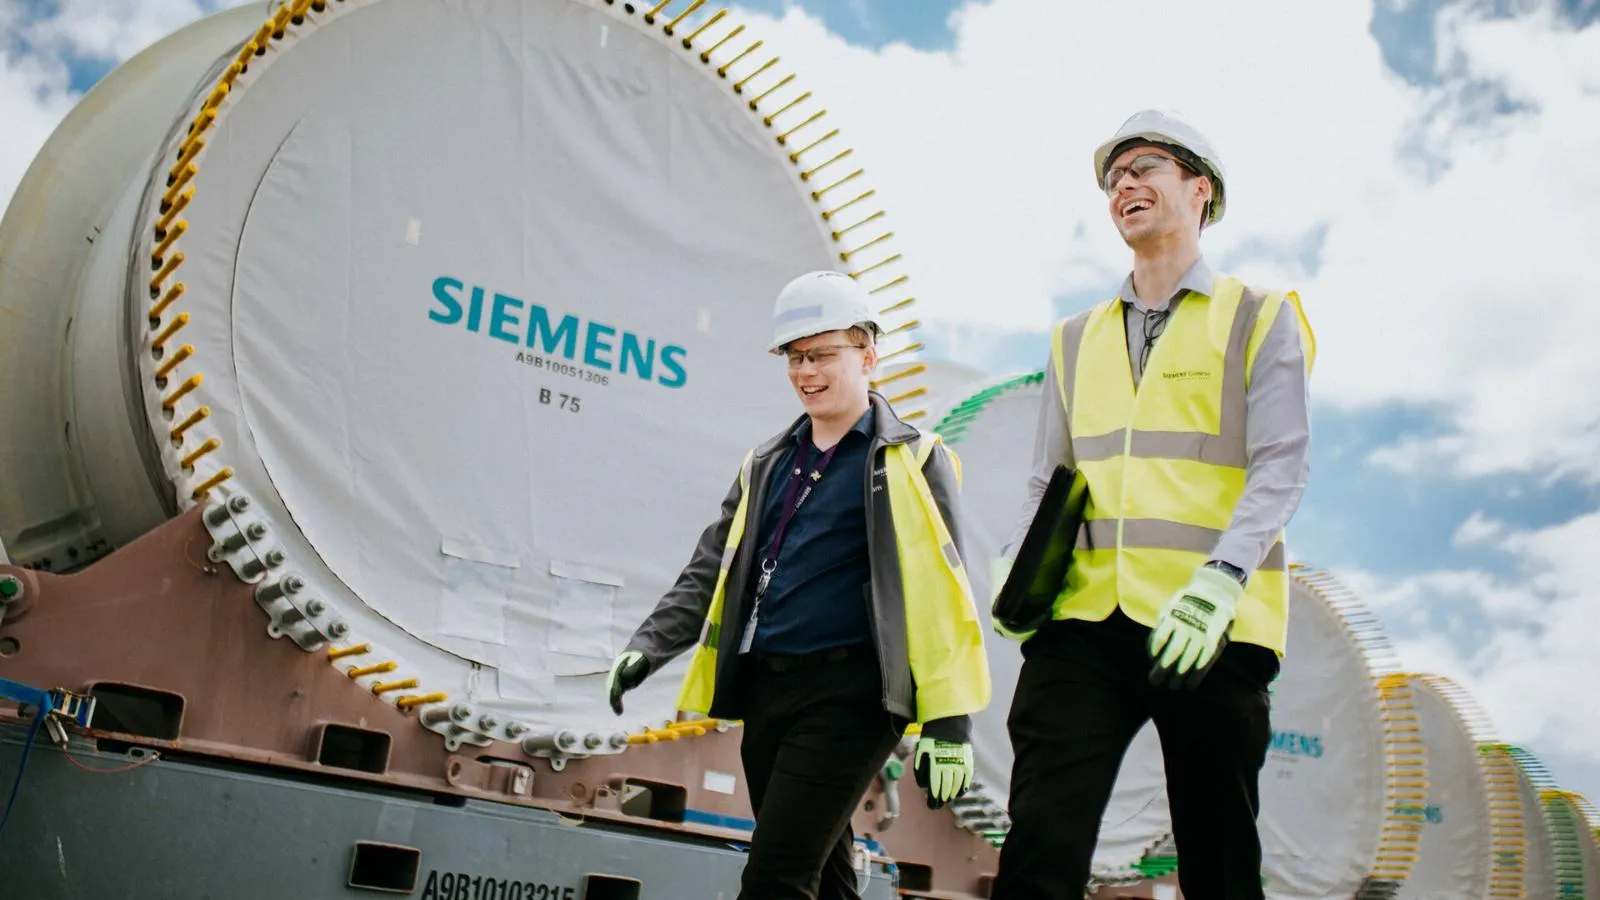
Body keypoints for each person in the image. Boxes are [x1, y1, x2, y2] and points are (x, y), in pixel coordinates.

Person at [986, 110, 1316, 899]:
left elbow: (1282, 464)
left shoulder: (1261, 317)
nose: (1124, 185)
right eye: (1113, 178)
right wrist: (1020, 566)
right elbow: (1050, 479)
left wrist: (1220, 581)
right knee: (1038, 842)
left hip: (1212, 627)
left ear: (1199, 189)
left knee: (1217, 852)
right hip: (1085, 627)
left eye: (1144, 168)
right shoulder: (1074, 337)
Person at [604, 270, 992, 900]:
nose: (806, 371)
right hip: (769, 692)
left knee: (776, 875)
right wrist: (650, 646)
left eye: (823, 354)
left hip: (853, 696)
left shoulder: (915, 459)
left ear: (868, 354)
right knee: (826, 874)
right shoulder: (768, 462)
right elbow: (711, 567)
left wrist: (950, 723)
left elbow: (942, 594)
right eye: (795, 356)